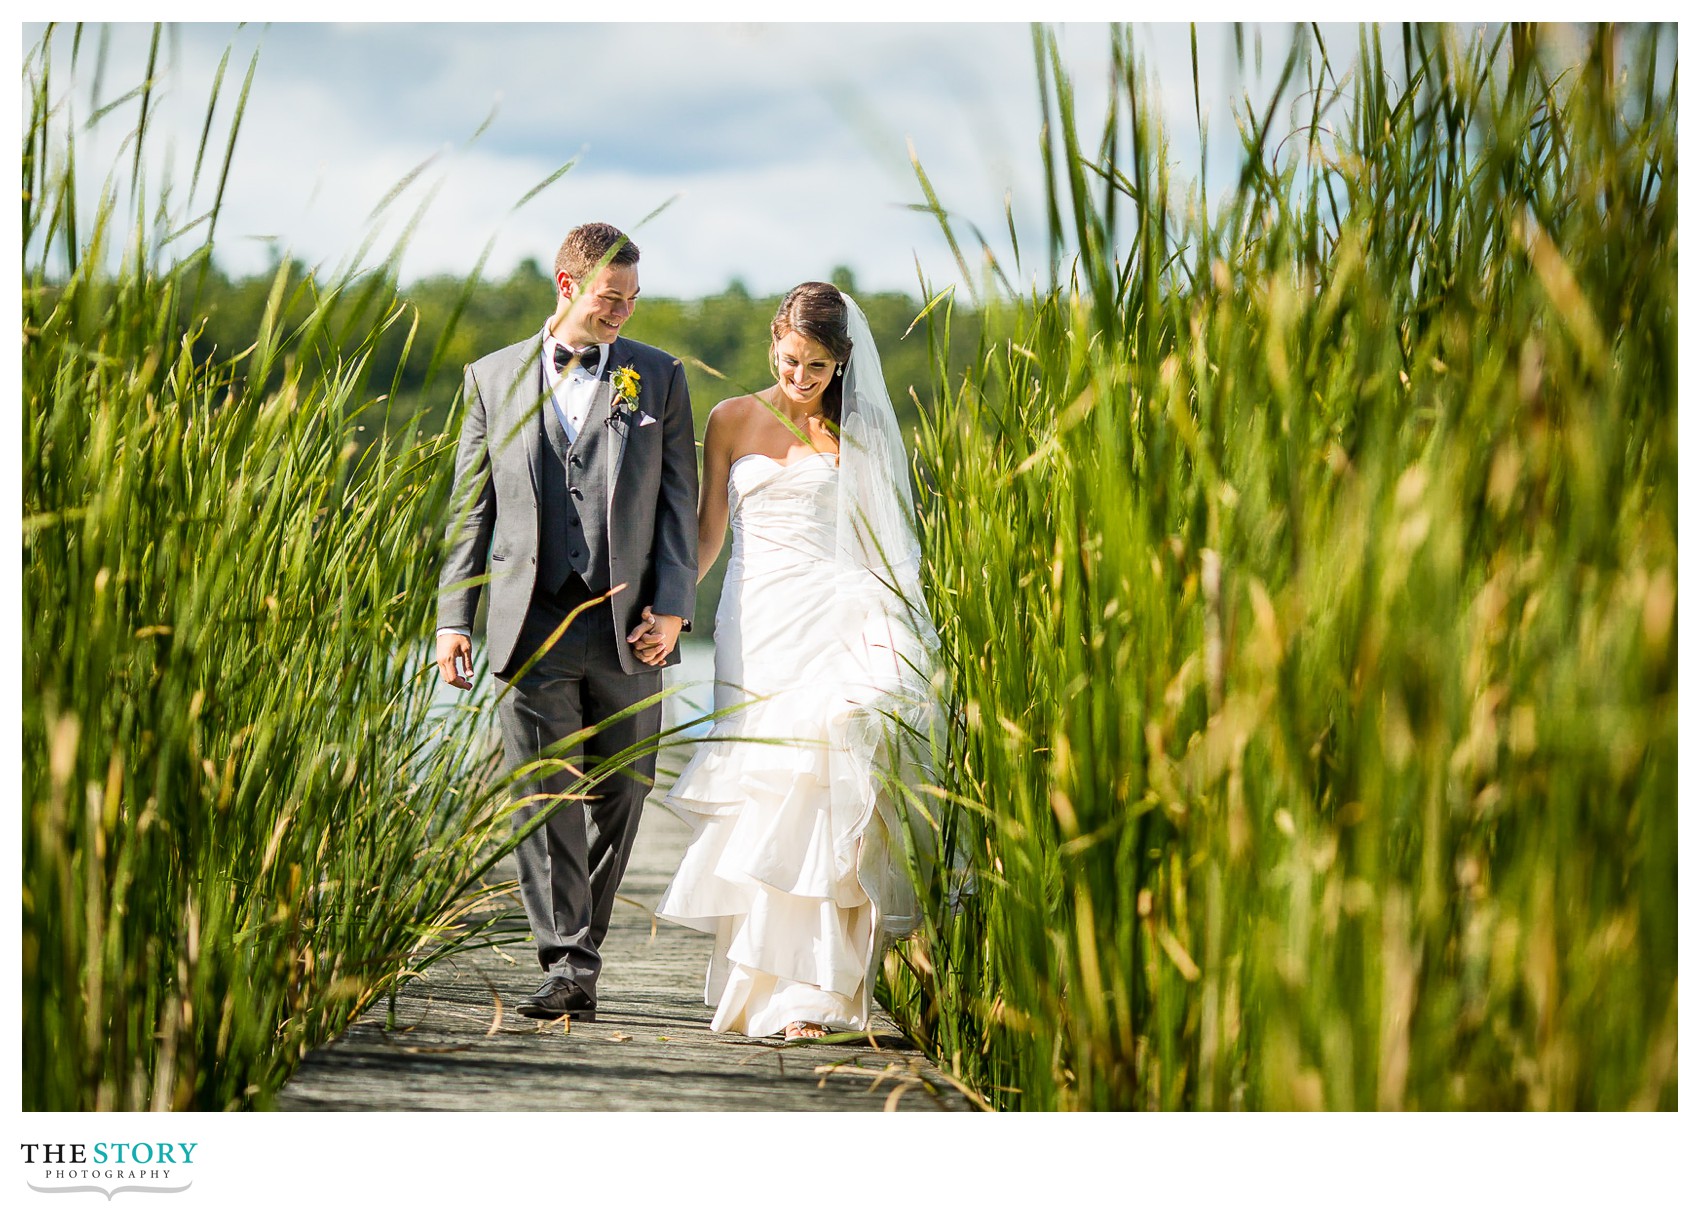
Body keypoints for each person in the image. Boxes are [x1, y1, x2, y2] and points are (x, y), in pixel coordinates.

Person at [656, 283, 938, 1042]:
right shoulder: (729, 419)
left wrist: (894, 631)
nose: (801, 378)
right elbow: (709, 533)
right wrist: (672, 607)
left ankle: (816, 995)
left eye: (817, 366)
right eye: (790, 360)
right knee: (767, 799)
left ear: (841, 363)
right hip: (756, 625)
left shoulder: (859, 439)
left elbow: (888, 552)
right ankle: (763, 991)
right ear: (772, 342)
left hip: (838, 617)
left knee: (831, 768)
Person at [435, 222, 698, 1022]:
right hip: (530, 622)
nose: (621, 312)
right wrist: (454, 616)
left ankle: (582, 945)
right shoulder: (490, 378)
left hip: (628, 626)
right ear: (566, 284)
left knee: (626, 789)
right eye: (610, 298)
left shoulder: (659, 378)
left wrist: (677, 604)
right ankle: (568, 964)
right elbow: (469, 507)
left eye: (631, 300)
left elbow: (679, 503)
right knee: (543, 796)